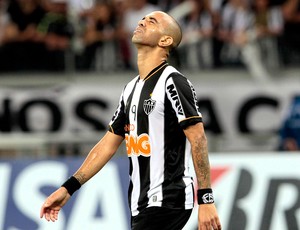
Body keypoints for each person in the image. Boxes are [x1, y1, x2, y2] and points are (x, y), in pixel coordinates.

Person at [40, 11, 222, 230]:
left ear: (165, 40)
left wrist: (206, 200)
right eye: (142, 19)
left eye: (152, 21)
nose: (142, 21)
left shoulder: (173, 82)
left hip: (167, 199)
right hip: (139, 203)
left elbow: (198, 138)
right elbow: (107, 145)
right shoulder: (130, 89)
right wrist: (68, 188)